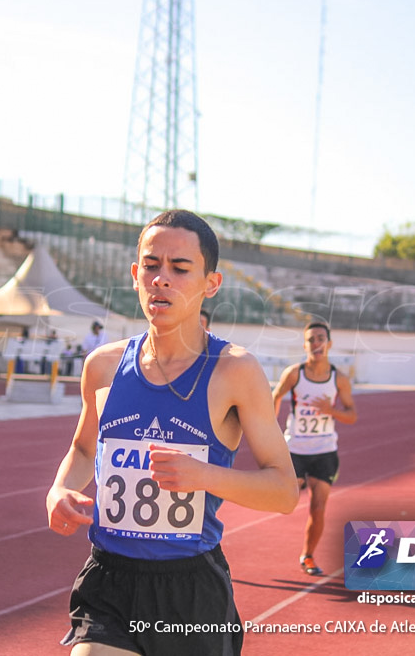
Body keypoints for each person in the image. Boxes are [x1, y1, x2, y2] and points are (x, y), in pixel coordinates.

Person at [46, 210, 298, 655]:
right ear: (135, 274)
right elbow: (83, 449)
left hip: (191, 590)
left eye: (180, 269)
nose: (161, 279)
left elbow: (283, 491)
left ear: (211, 284)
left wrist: (204, 476)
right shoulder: (102, 367)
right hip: (108, 580)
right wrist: (59, 490)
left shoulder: (234, 371)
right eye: (151, 265)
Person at [272, 321, 358, 575]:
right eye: (311, 339)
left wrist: (331, 410)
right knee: (285, 500)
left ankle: (308, 556)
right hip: (295, 448)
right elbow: (276, 396)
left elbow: (352, 415)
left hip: (324, 451)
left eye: (321, 338)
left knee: (318, 506)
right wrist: (269, 428)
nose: (316, 343)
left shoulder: (338, 379)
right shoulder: (295, 373)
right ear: (305, 344)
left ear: (329, 344)